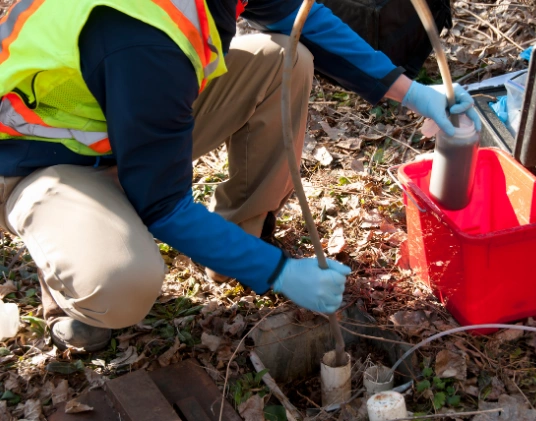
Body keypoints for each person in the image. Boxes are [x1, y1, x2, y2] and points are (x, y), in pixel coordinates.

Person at [0, 0, 480, 352]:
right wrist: (279, 273)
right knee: (122, 281)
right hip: (42, 157)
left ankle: (234, 243)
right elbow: (162, 205)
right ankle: (74, 289)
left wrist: (411, 91)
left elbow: (303, 18)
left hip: (125, 116)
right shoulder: (142, 34)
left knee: (283, 60)